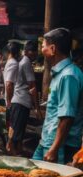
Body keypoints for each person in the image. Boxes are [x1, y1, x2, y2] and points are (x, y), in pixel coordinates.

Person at [33, 28, 83, 164]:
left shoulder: (68, 76)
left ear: (53, 49)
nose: (41, 51)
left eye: (43, 47)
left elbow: (67, 117)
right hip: (49, 139)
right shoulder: (60, 73)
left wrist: (54, 149)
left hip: (60, 145)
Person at [7, 41, 41, 155]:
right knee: (16, 133)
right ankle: (13, 154)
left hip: (19, 100)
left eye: (36, 51)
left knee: (17, 131)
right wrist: (37, 108)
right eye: (33, 51)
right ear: (26, 52)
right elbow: (32, 87)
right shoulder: (26, 62)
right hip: (21, 101)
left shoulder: (21, 61)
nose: (35, 54)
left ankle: (17, 151)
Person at [3, 42, 21, 153]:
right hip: (13, 99)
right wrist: (9, 101)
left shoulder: (10, 62)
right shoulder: (14, 63)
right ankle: (10, 147)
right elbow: (9, 84)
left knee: (11, 124)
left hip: (11, 98)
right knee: (13, 125)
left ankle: (10, 146)